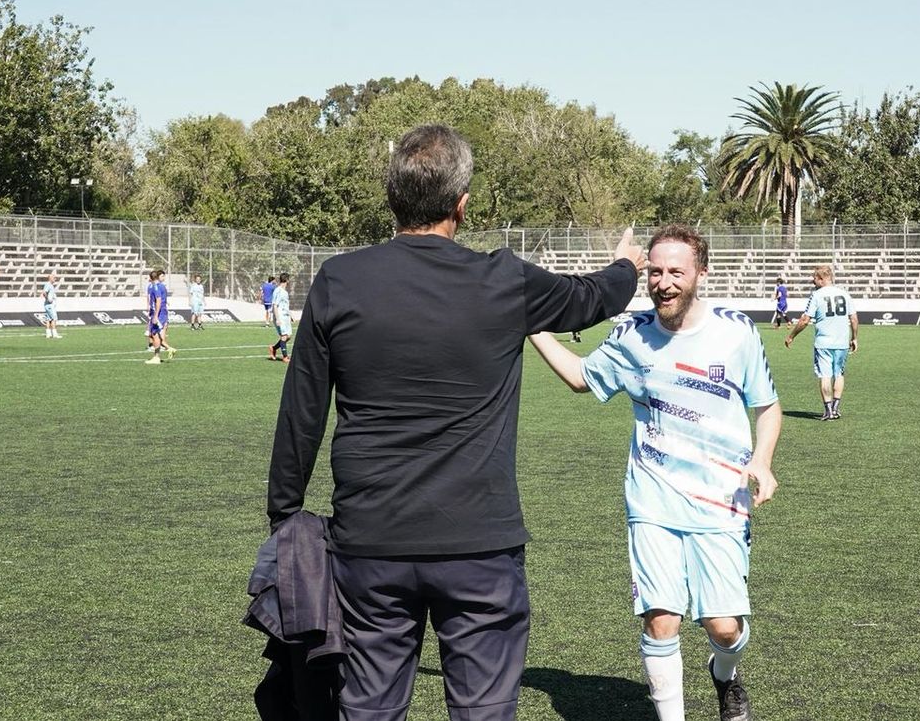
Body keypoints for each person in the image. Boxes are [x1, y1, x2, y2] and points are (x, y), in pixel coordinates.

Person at [266, 124, 645, 721]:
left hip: (370, 541)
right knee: (483, 711)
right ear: (462, 205)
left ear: (392, 198)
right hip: (479, 545)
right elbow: (593, 297)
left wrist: (284, 514)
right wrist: (627, 265)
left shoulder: (340, 280)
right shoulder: (503, 280)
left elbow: (302, 412)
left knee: (368, 708)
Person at [528, 224, 781, 721]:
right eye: (657, 272)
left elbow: (767, 407)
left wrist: (763, 459)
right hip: (651, 501)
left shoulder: (736, 332)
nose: (664, 282)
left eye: (676, 272)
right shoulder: (631, 335)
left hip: (721, 502)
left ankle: (725, 674)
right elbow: (581, 377)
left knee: (724, 628)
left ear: (701, 273)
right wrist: (531, 324)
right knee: (661, 619)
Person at [785, 265, 858, 421]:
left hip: (823, 343)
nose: (813, 281)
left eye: (814, 278)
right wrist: (854, 338)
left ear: (821, 279)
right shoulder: (844, 294)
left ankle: (828, 410)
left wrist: (791, 335)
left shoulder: (817, 295)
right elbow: (853, 318)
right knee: (839, 374)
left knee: (825, 376)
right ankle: (835, 409)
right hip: (842, 342)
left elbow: (805, 320)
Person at [145, 269, 176, 365]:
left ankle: (157, 357)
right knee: (155, 334)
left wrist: (155, 315)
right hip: (160, 312)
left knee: (155, 335)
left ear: (151, 278)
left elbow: (158, 301)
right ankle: (167, 350)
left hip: (159, 313)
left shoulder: (156, 287)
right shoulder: (160, 286)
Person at [267, 273, 292, 363]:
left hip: (285, 317)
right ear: (287, 280)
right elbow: (275, 305)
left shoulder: (284, 292)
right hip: (280, 316)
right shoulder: (278, 291)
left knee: (288, 336)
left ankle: (273, 348)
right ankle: (285, 357)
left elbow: (284, 305)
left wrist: (290, 315)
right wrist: (277, 318)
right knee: (284, 336)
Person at [41, 273, 61, 339]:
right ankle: (54, 334)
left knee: (48, 319)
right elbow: (44, 292)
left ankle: (48, 334)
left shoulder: (50, 285)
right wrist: (48, 299)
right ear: (50, 278)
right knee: (53, 319)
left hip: (48, 305)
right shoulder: (48, 284)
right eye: (54, 278)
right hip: (50, 305)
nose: (55, 279)